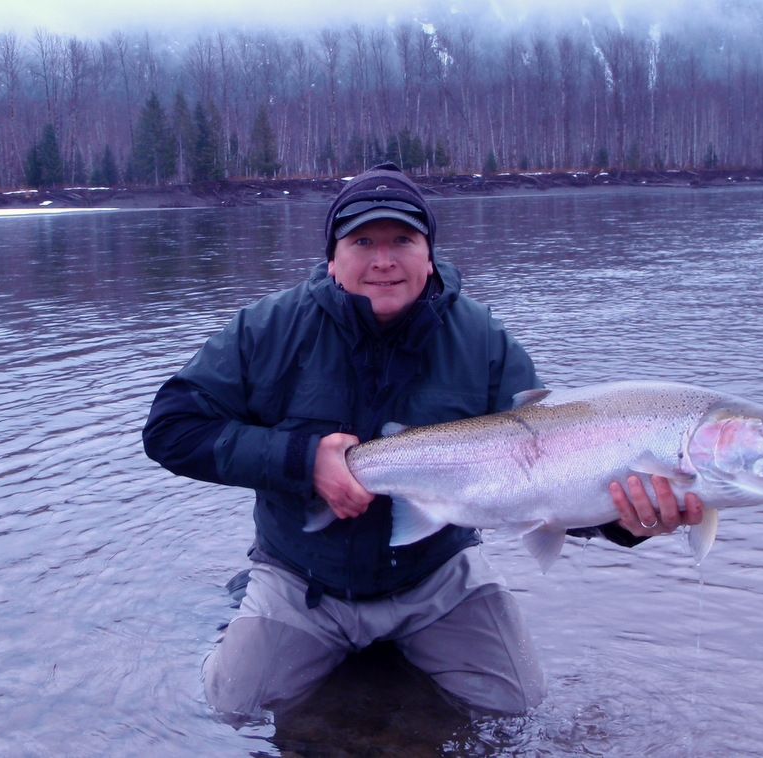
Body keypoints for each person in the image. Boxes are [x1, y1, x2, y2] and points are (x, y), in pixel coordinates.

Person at [142, 163, 703, 716]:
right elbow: (171, 428)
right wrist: (303, 460)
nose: (383, 260)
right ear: (332, 257)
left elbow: (552, 473)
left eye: (402, 240)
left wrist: (621, 521)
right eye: (362, 240)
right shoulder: (268, 330)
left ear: (428, 253)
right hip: (300, 579)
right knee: (232, 709)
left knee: (518, 708)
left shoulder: (483, 340)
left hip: (438, 577)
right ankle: (252, 600)